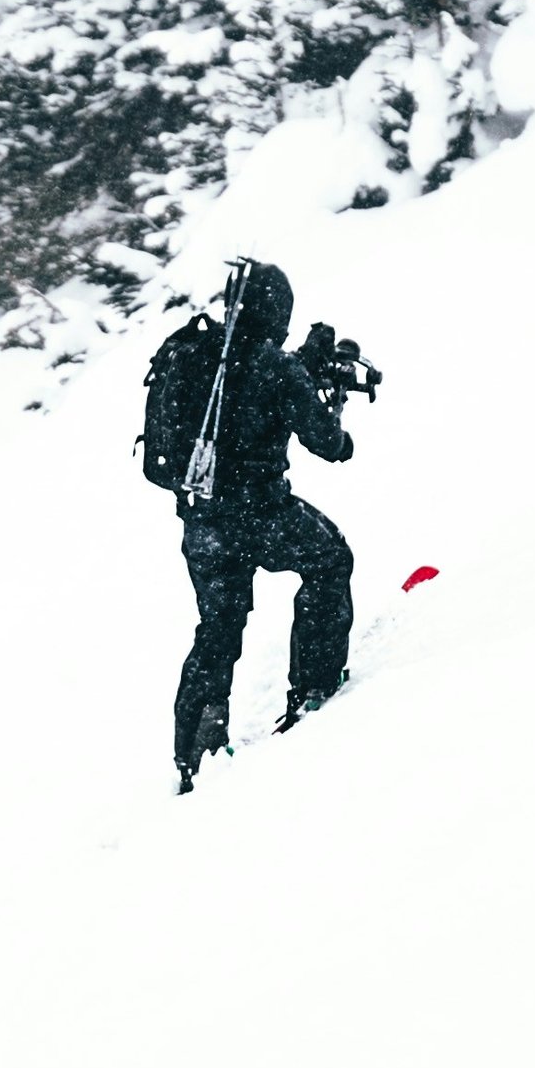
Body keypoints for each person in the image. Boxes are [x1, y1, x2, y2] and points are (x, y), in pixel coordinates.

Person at [171, 259, 356, 790]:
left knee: (218, 628)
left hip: (202, 522)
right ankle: (314, 686)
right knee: (329, 560)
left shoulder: (198, 356)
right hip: (262, 514)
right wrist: (336, 416)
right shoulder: (275, 367)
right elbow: (328, 444)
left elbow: (244, 392)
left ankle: (195, 751)